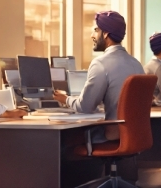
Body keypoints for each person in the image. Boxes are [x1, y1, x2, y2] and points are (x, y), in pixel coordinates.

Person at [53, 11, 144, 142]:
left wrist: (65, 99)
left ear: (106, 33)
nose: (92, 36)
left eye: (96, 30)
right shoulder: (137, 64)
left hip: (111, 135)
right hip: (132, 135)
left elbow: (85, 107)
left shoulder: (100, 64)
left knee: (65, 140)